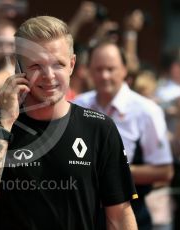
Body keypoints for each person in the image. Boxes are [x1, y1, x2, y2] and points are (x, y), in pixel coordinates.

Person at [0, 16, 138, 230]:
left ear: (72, 64)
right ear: (19, 68)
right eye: (36, 65)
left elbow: (119, 216)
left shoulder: (99, 128)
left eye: (58, 64)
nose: (49, 76)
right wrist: (5, 122)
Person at [74, 41, 174, 229]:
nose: (104, 76)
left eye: (111, 69)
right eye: (98, 69)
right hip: (85, 217)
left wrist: (113, 172)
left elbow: (165, 171)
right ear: (88, 71)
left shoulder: (146, 111)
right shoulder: (78, 105)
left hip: (132, 215)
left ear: (124, 70)